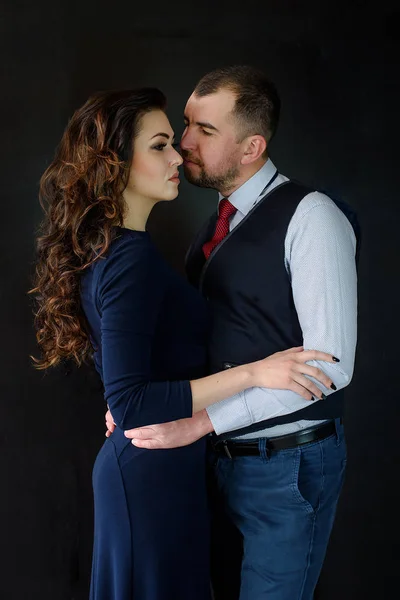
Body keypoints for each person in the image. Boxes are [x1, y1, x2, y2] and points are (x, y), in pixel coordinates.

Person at [30, 87, 337, 600]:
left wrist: (134, 395)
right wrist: (256, 372)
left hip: (163, 471)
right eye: (160, 145)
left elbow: (131, 386)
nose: (179, 155)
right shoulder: (127, 259)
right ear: (115, 163)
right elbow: (130, 404)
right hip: (149, 478)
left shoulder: (123, 249)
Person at [114, 66, 358, 600]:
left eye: (205, 131)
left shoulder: (313, 217)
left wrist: (203, 421)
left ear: (252, 147)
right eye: (185, 124)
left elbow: (330, 367)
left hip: (288, 466)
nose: (184, 143)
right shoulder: (212, 228)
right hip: (217, 464)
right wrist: (138, 398)